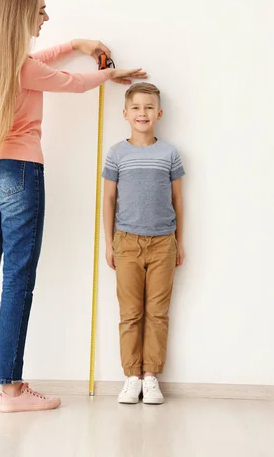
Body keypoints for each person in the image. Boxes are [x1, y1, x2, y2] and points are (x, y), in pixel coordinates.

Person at [0, 0, 147, 413]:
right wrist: (113, 72)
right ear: (20, 13)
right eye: (40, 10)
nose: (45, 16)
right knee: (18, 277)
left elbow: (34, 62)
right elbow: (69, 82)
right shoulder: (24, 68)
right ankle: (12, 390)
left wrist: (75, 42)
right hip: (18, 172)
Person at [102, 82, 185, 405]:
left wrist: (179, 241)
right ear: (125, 113)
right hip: (126, 242)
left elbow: (178, 199)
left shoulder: (169, 153)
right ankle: (131, 377)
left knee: (158, 313)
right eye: (136, 107)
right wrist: (109, 243)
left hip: (164, 242)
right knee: (130, 313)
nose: (142, 113)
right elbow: (109, 199)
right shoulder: (116, 153)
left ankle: (151, 377)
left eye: (149, 107)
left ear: (159, 113)